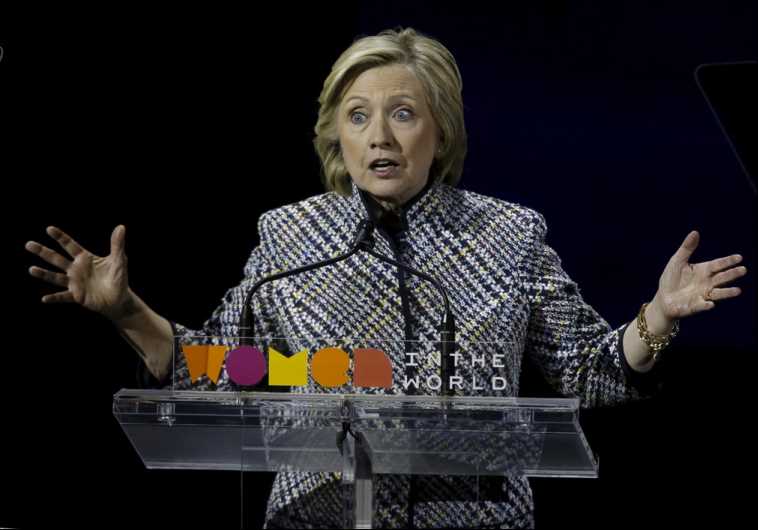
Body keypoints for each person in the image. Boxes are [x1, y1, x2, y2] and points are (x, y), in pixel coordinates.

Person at [25, 27, 747, 529]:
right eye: (358, 116)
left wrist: (656, 318)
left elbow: (589, 371)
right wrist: (127, 312)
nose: (380, 136)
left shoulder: (507, 235)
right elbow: (222, 367)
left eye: (403, 114)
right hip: (318, 517)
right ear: (335, 135)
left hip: (474, 518)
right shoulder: (291, 238)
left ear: (441, 130)